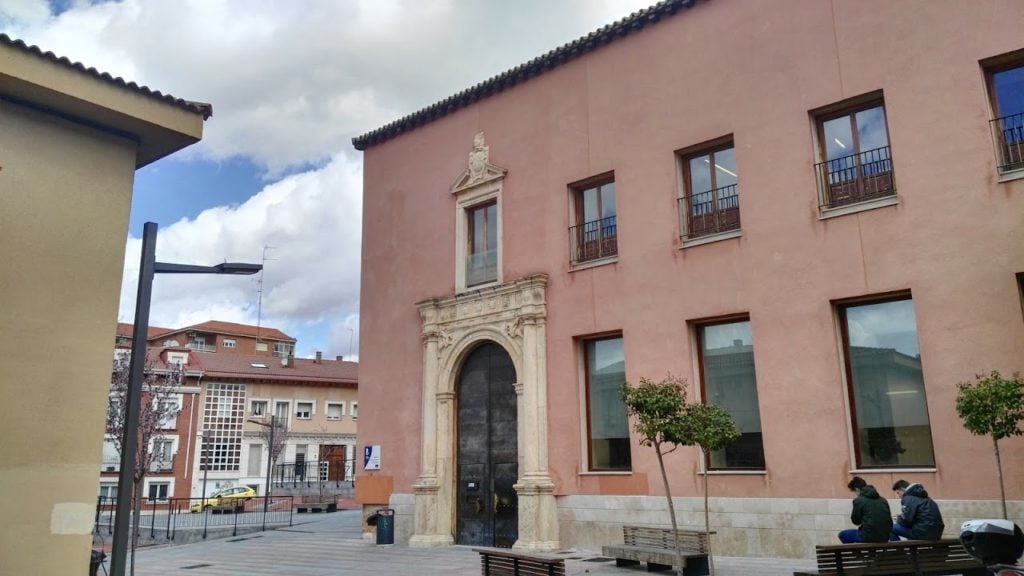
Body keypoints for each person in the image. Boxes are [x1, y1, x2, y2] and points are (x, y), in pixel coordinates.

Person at [838, 476, 893, 543]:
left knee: (842, 535)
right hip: (885, 537)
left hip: (868, 536)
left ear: (857, 489)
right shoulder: (883, 500)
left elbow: (856, 521)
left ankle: (856, 553)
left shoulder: (859, 501)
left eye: (854, 492)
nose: (856, 495)